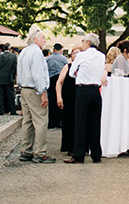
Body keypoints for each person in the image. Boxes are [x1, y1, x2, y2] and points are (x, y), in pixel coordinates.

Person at [65, 33, 106, 164]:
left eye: (83, 41)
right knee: (95, 123)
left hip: (83, 90)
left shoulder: (81, 55)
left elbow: (71, 73)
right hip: (95, 90)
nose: (82, 43)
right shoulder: (101, 56)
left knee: (80, 123)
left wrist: (79, 72)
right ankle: (96, 154)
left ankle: (78, 155)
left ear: (88, 42)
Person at [17, 28, 55, 163]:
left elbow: (19, 71)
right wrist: (43, 92)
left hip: (24, 89)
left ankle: (26, 151)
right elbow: (38, 74)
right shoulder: (37, 53)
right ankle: (40, 153)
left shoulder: (24, 52)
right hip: (34, 90)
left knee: (27, 121)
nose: (45, 40)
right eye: (43, 38)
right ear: (35, 39)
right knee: (40, 121)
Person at [56, 45, 82, 156]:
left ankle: (81, 146)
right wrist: (59, 96)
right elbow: (59, 82)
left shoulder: (85, 66)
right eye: (74, 53)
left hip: (81, 98)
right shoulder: (67, 66)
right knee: (68, 122)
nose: (76, 54)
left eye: (78, 52)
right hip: (68, 98)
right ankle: (69, 147)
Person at [46, 43, 68, 129]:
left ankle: (51, 122)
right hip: (61, 80)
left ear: (53, 49)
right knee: (61, 100)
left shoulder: (48, 59)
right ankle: (60, 121)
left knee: (51, 101)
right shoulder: (64, 59)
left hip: (51, 80)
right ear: (61, 50)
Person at [0, 43, 17, 115]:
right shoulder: (13, 56)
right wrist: (13, 77)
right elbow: (14, 68)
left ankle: (1, 110)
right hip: (9, 77)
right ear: (9, 49)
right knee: (10, 95)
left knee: (0, 95)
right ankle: (12, 110)